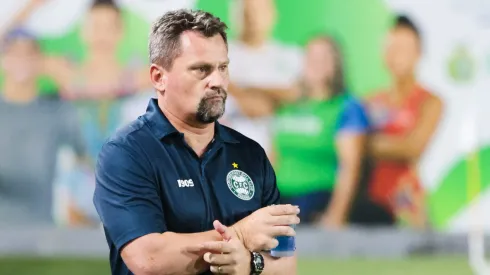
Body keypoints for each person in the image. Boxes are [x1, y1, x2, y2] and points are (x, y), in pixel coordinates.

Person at [93, 9, 299, 275]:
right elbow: (147, 258)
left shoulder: (251, 154)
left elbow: (286, 262)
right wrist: (241, 235)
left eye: (222, 68)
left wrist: (249, 264)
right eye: (201, 69)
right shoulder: (126, 153)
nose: (217, 81)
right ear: (158, 77)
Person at [272, 35, 369, 228]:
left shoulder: (346, 107)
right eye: (310, 56)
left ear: (335, 65)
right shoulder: (289, 106)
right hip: (280, 197)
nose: (315, 63)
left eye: (323, 57)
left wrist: (336, 216)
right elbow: (274, 156)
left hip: (316, 198)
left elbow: (350, 167)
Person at [0, 16, 86, 224]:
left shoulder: (57, 110)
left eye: (29, 54)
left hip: (39, 232)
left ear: (40, 61)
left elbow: (87, 154)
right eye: (14, 53)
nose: (22, 60)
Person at [364, 15, 443, 228]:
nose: (396, 56)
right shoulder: (369, 101)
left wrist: (367, 143)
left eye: (403, 49)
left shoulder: (430, 101)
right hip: (369, 198)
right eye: (391, 48)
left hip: (406, 200)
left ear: (418, 53)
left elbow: (413, 147)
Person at [221, 0, 303, 156]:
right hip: (228, 148)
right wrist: (273, 97)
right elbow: (255, 108)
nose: (251, 17)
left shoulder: (291, 57)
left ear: (273, 14)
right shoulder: (219, 54)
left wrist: (241, 88)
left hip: (280, 152)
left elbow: (295, 95)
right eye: (245, 11)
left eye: (257, 10)